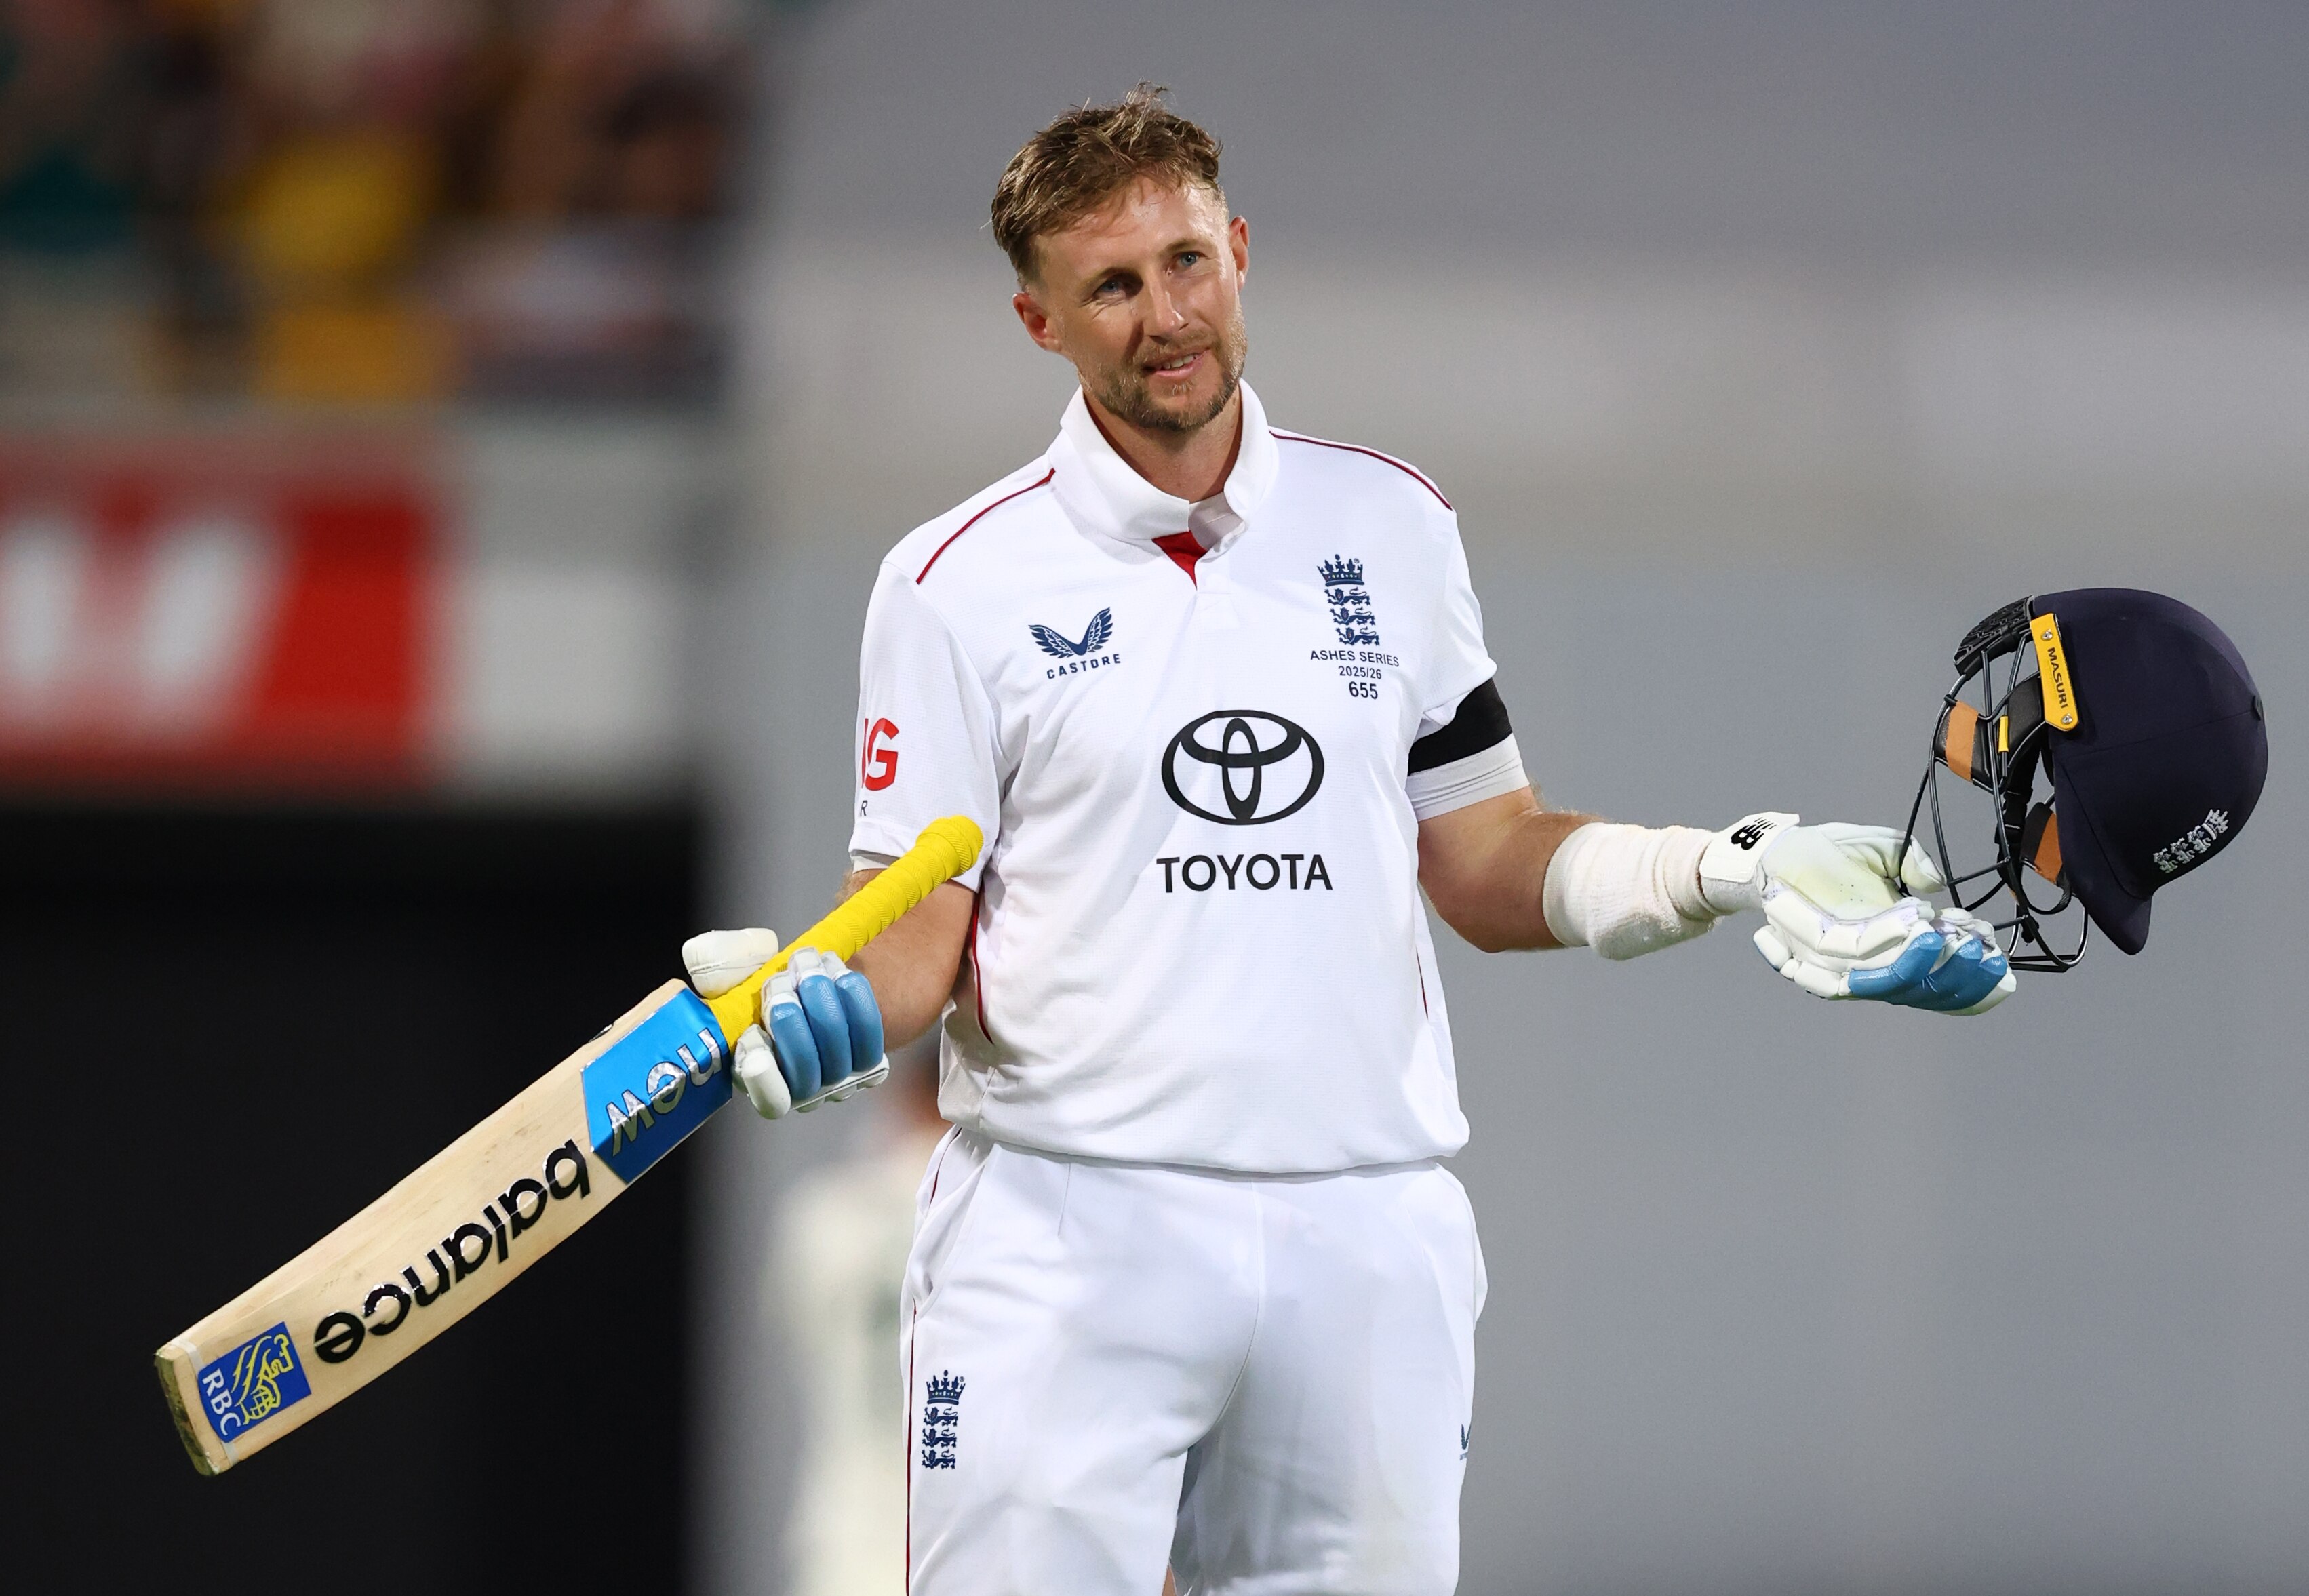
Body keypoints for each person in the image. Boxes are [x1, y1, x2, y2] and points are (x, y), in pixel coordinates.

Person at [682, 85, 2013, 1596]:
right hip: (1063, 1234)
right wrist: (833, 1009)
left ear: (1238, 251)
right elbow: (917, 929)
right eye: (1109, 285)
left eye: (1184, 261)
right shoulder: (950, 580)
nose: (1161, 313)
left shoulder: (1388, 523)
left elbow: (1487, 856)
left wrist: (1723, 862)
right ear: (1037, 321)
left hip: (1365, 1235)